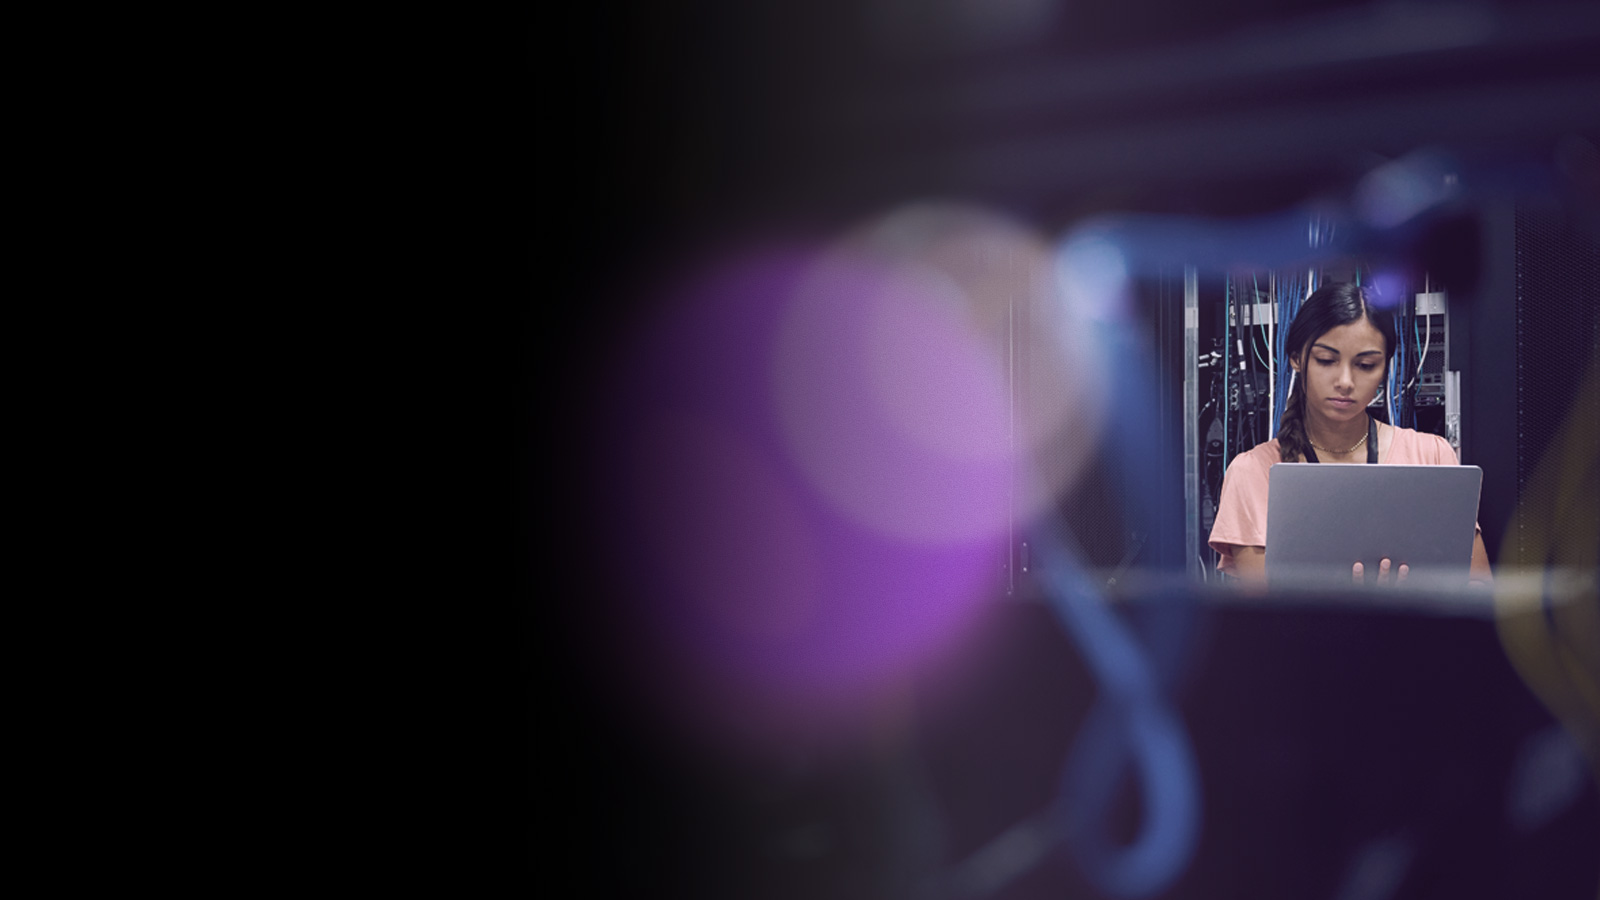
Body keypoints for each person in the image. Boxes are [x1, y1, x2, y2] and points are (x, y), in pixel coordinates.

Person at [1207, 282, 1493, 586]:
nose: (1345, 381)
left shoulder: (1432, 457)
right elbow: (1268, 615)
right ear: (1295, 358)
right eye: (1326, 360)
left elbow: (1478, 589)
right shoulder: (1253, 472)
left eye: (1365, 365)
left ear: (1385, 369)